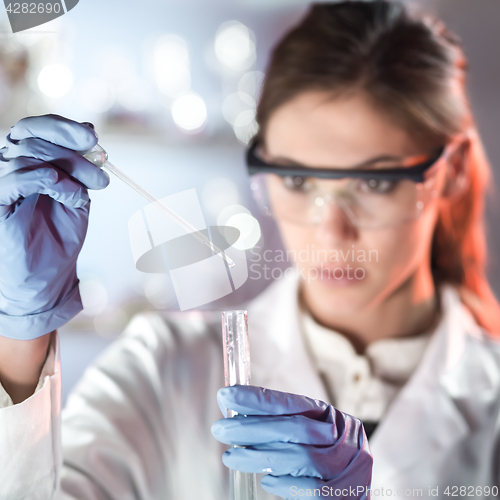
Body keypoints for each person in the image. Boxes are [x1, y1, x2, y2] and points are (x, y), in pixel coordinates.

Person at [1, 1, 499, 499]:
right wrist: (18, 341)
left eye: (373, 181)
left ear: (451, 171)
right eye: (298, 178)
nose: (332, 231)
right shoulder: (163, 369)